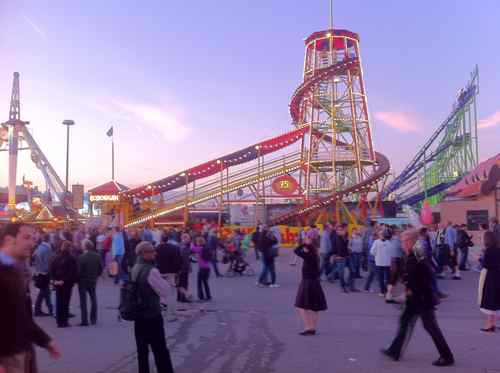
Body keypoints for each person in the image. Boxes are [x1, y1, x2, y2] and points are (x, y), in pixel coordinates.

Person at [381, 229, 454, 366]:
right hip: (417, 298)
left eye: (403, 241)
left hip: (421, 299)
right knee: (404, 321)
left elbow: (421, 277)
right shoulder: (415, 252)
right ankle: (395, 350)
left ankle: (447, 356)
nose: (401, 243)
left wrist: (406, 293)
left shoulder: (415, 256)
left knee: (431, 327)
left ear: (410, 241)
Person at [0, 223, 62, 373]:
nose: (32, 243)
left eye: (33, 238)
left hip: (21, 352)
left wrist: (45, 341)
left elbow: (21, 315)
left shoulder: (17, 269)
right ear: (9, 240)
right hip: (7, 357)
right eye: (26, 238)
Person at [131, 241, 175, 373]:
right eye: (152, 251)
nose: (155, 254)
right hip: (151, 314)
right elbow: (166, 291)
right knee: (160, 348)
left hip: (138, 313)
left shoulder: (135, 267)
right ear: (144, 254)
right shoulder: (152, 270)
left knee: (142, 350)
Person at [294, 237, 328, 335]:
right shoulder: (314, 255)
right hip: (314, 282)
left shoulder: (309, 255)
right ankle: (312, 327)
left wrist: (305, 244)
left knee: (300, 305)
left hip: (308, 281)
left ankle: (309, 327)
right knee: (314, 307)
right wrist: (307, 245)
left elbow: (296, 250)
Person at [50, 240, 78, 328]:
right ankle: (64, 321)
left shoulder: (56, 257)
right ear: (69, 248)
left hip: (57, 281)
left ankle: (59, 321)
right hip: (66, 283)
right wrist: (64, 280)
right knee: (65, 302)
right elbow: (72, 272)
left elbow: (51, 269)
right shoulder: (71, 258)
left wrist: (54, 280)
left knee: (59, 301)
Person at [156, 233, 182, 322]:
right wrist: (177, 271)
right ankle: (173, 313)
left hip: (160, 273)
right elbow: (179, 261)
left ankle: (163, 311)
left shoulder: (157, 248)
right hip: (171, 273)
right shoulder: (174, 248)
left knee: (161, 293)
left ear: (161, 239)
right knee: (171, 294)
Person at [77, 239, 103, 326]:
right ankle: (93, 319)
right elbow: (100, 269)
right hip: (93, 280)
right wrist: (96, 276)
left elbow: (79, 271)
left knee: (83, 301)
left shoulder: (81, 257)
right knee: (93, 299)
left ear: (85, 246)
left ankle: (84, 320)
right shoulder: (97, 256)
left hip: (83, 280)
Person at [477, 231, 500, 332]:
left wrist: (479, 259)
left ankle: (490, 325)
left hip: (491, 278)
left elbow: (486, 265)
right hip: (498, 276)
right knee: (497, 300)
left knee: (490, 301)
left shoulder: (488, 251)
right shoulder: (498, 249)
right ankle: (493, 324)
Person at [33, 233, 55, 317]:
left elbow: (34, 257)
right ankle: (41, 310)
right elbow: (49, 262)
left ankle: (48, 309)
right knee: (44, 292)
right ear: (49, 239)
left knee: (45, 292)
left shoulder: (39, 247)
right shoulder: (47, 249)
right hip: (45, 273)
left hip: (39, 272)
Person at [330, 224, 356, 292]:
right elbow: (333, 248)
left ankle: (351, 286)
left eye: (341, 230)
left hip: (347, 256)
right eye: (338, 230)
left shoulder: (345, 236)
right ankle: (343, 287)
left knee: (353, 271)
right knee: (341, 273)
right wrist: (334, 256)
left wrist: (349, 248)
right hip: (340, 258)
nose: (339, 231)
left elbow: (347, 246)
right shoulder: (335, 238)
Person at [371, 228, 395, 296]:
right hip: (387, 263)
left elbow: (372, 252)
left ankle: (382, 292)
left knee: (380, 278)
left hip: (379, 262)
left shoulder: (376, 242)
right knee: (387, 278)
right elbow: (391, 252)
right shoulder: (389, 242)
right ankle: (387, 291)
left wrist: (377, 254)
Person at [191, 236, 212, 301]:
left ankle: (201, 297)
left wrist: (191, 242)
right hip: (207, 267)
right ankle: (208, 296)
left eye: (197, 241)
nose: (196, 243)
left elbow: (192, 248)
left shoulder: (200, 248)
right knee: (205, 283)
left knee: (199, 283)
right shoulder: (206, 247)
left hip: (202, 268)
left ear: (199, 242)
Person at [178, 233, 192, 303]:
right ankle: (183, 298)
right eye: (188, 239)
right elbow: (185, 260)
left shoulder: (179, 245)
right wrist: (189, 268)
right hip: (184, 268)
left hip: (180, 268)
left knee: (180, 283)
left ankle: (179, 297)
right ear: (184, 239)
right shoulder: (184, 247)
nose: (189, 240)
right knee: (184, 283)